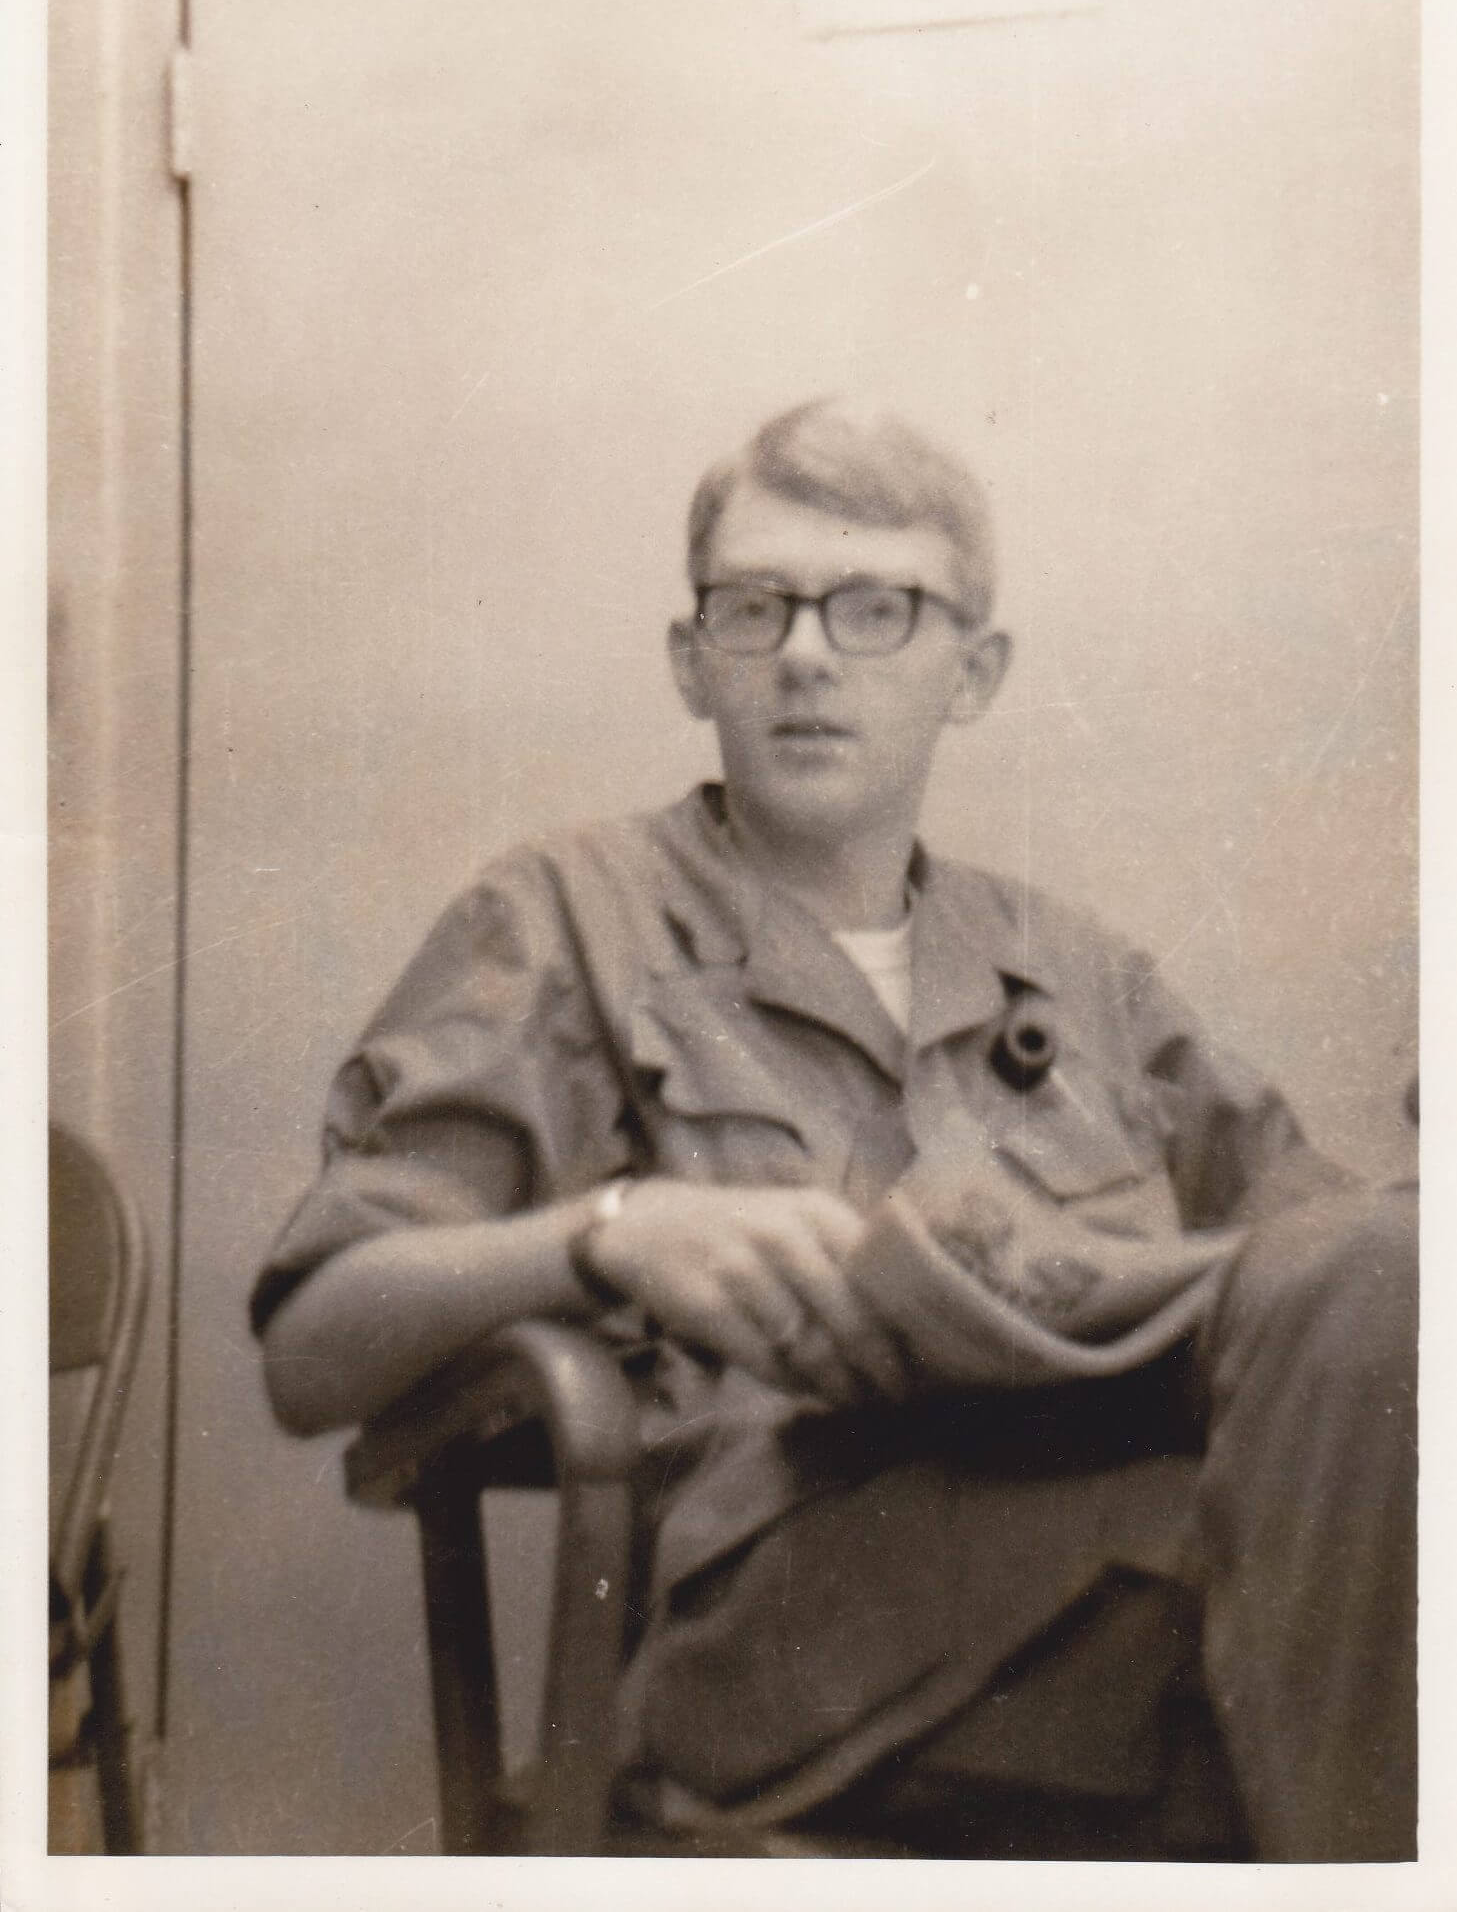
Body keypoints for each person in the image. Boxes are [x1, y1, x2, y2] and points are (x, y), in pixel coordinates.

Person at [251, 399, 1416, 1860]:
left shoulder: (1081, 970)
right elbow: (313, 1345)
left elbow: (1349, 1298)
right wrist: (610, 1236)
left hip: (1137, 1544)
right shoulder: (561, 915)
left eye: (876, 608)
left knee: (1379, 1302)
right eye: (755, 608)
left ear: (972, 671)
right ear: (694, 661)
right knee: (1368, 1602)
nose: (806, 653)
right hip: (790, 1611)